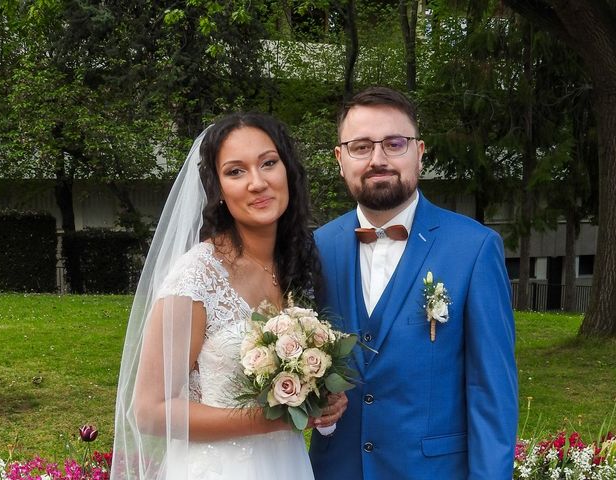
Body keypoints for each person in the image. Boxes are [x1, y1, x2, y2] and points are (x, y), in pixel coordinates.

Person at [111, 112, 345, 480]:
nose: (257, 182)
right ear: (218, 190)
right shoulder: (196, 277)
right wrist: (274, 418)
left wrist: (321, 398)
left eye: (268, 163)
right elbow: (150, 411)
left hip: (287, 465)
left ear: (288, 172)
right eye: (236, 171)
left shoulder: (298, 266)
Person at [309, 87, 518, 479]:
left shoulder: (474, 249)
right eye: (360, 147)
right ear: (340, 159)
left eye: (394, 143)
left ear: (420, 152)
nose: (378, 159)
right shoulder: (317, 249)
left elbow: (493, 397)